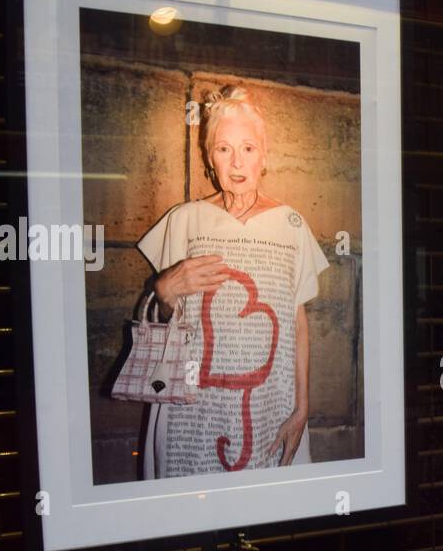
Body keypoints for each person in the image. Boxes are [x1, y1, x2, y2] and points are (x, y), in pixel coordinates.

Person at [137, 85, 329, 478]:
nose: (237, 162)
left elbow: (297, 322)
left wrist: (302, 408)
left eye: (248, 148)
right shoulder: (184, 220)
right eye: (224, 149)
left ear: (265, 156)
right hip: (193, 406)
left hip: (269, 403)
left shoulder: (291, 225)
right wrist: (164, 290)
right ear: (210, 159)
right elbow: (166, 317)